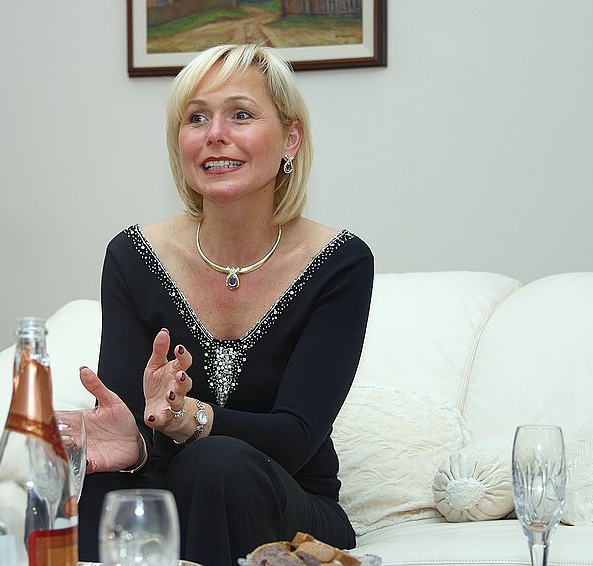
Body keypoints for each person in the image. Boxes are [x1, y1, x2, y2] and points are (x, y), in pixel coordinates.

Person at [77, 43, 374, 565]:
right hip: (166, 489)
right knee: (89, 491)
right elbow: (136, 416)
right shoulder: (132, 256)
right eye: (196, 118)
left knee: (218, 464)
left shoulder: (340, 262)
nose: (215, 134)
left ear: (290, 138)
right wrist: (132, 444)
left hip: (284, 497)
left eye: (241, 114)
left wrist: (193, 418)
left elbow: (297, 436)